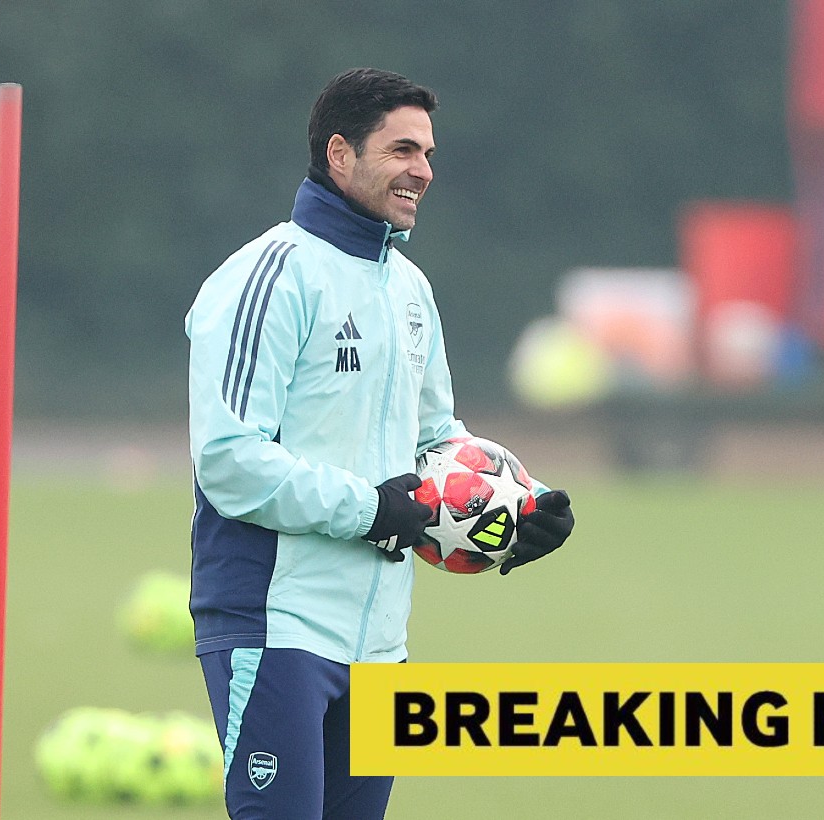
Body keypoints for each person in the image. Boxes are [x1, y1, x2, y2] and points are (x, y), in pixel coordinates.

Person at [185, 67, 575, 820]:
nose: (423, 171)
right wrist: (368, 509)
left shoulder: (410, 290)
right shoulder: (269, 275)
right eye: (402, 150)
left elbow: (437, 440)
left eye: (427, 154)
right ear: (340, 153)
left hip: (381, 642)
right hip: (276, 623)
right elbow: (230, 459)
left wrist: (519, 506)